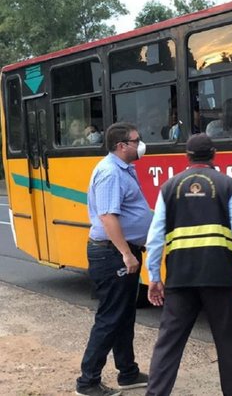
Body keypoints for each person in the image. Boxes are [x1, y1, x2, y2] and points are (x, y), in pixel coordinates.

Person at [145, 133, 232, 396]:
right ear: (214, 155)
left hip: (179, 279)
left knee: (168, 344)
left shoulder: (168, 187)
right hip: (219, 277)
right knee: (229, 343)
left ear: (186, 157)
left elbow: (154, 238)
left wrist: (154, 276)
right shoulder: (228, 185)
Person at [76, 122, 152, 396]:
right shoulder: (110, 173)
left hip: (121, 252)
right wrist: (125, 253)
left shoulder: (124, 169)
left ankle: (128, 373)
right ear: (122, 146)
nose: (140, 144)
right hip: (112, 254)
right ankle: (88, 382)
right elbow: (108, 217)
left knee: (124, 315)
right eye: (136, 140)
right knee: (110, 317)